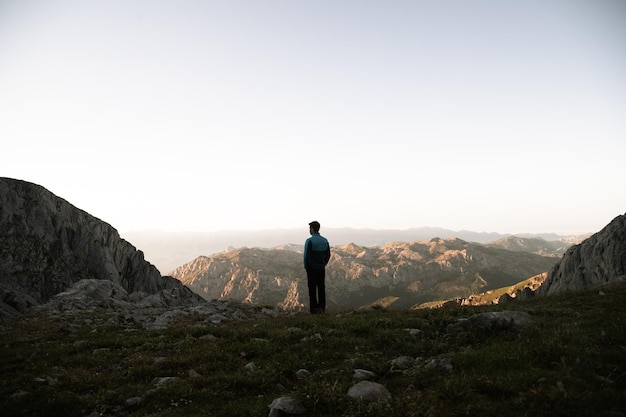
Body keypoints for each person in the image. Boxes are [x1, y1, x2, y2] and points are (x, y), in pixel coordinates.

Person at [303, 220, 331, 314]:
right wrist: (323, 264)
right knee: (321, 288)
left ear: (312, 229)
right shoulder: (325, 241)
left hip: (312, 269)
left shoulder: (309, 241)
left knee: (312, 289)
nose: (309, 230)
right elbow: (328, 255)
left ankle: (314, 310)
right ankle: (322, 309)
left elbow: (306, 256)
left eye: (310, 228)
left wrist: (307, 267)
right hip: (321, 268)